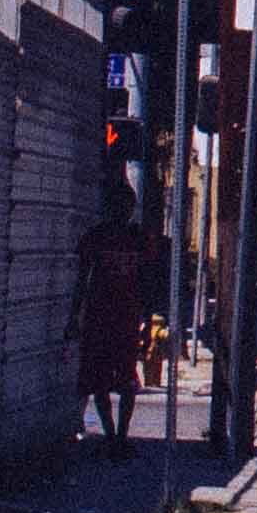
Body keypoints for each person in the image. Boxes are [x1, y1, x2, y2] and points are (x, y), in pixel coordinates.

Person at [72, 180, 158, 449]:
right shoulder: (96, 237)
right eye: (117, 206)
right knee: (99, 381)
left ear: (131, 208)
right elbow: (81, 280)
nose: (122, 211)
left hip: (126, 319)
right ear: (109, 208)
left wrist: (149, 320)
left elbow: (148, 282)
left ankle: (121, 434)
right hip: (100, 318)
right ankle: (111, 434)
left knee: (127, 380)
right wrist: (74, 316)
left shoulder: (139, 240)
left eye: (126, 206)